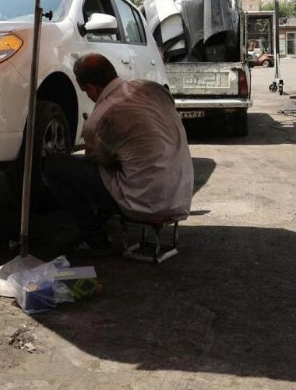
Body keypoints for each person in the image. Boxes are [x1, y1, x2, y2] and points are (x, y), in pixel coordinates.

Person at [43, 53, 194, 255]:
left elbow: (96, 163)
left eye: (86, 92)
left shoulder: (101, 117)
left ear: (91, 88)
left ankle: (94, 238)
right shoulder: (152, 88)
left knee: (56, 167)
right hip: (180, 195)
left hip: (144, 201)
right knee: (121, 161)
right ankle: (104, 221)